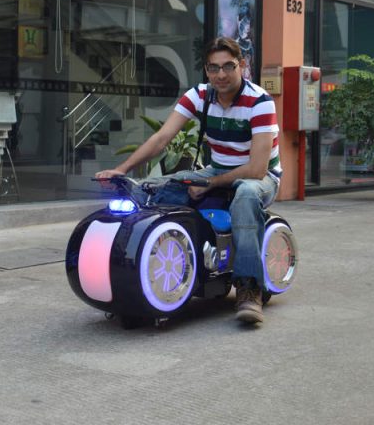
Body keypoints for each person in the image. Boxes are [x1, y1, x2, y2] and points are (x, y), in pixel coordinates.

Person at [96, 37, 280, 324]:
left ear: (242, 65)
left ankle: (249, 288)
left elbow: (257, 169)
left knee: (244, 194)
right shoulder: (200, 95)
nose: (220, 75)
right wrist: (123, 169)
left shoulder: (259, 102)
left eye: (228, 66)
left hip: (261, 177)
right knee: (156, 188)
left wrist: (212, 182)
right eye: (212, 68)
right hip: (218, 169)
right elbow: (162, 138)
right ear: (206, 70)